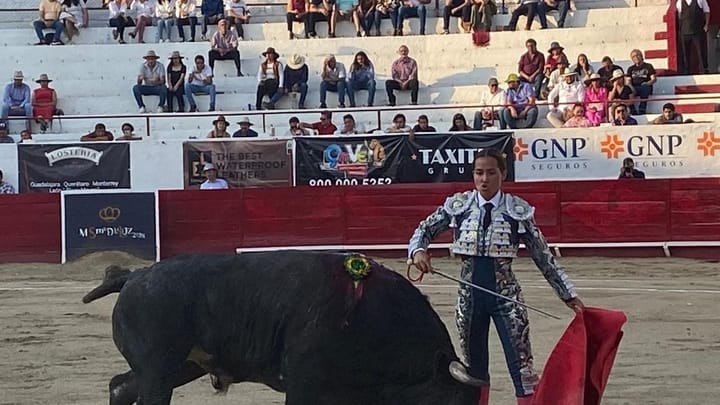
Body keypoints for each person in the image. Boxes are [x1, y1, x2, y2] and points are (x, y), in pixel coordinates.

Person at [408, 148, 584, 405]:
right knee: (473, 371)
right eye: (479, 173)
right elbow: (423, 231)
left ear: (503, 174)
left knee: (522, 370)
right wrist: (418, 251)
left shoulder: (517, 210)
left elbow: (543, 257)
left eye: (491, 173)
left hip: (506, 298)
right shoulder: (459, 206)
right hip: (469, 299)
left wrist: (568, 295)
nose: (484, 179)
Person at [676, 0, 710, 74]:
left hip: (698, 30)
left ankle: (704, 69)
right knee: (685, 52)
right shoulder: (679, 2)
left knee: (701, 50)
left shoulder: (700, 0)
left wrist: (706, 25)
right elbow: (679, 16)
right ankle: (686, 70)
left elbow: (707, 12)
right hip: (685, 31)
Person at [626, 49, 656, 115]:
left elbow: (654, 79)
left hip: (645, 86)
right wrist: (631, 88)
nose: (636, 57)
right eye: (633, 56)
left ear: (642, 56)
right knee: (626, 90)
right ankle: (633, 110)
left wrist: (647, 83)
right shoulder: (630, 69)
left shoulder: (648, 66)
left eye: (637, 55)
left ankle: (642, 110)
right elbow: (628, 81)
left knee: (645, 88)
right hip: (634, 87)